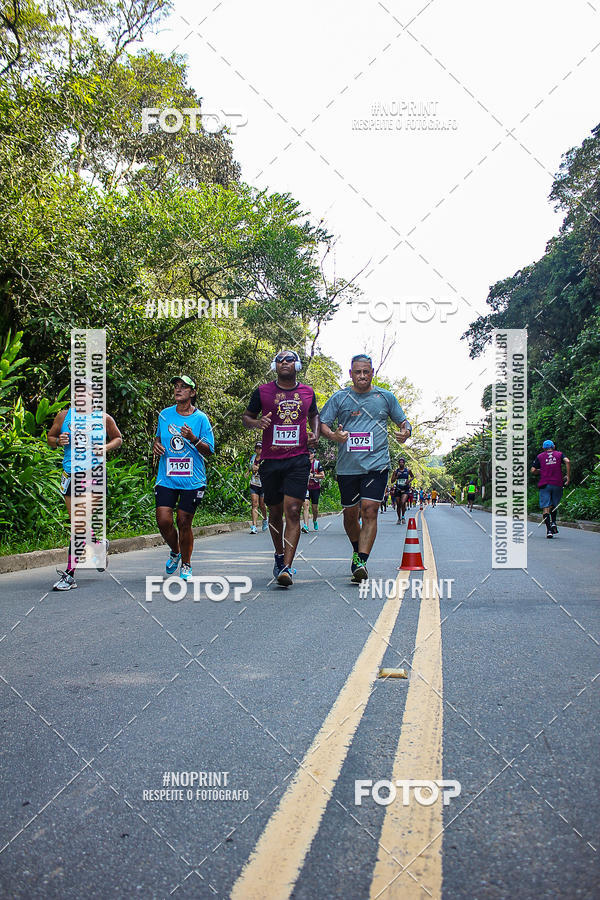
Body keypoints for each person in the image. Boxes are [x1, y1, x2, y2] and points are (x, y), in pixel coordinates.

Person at [320, 354, 411, 582]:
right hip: (348, 468)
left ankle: (361, 561)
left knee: (369, 510)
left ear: (372, 373)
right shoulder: (340, 398)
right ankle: (356, 549)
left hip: (376, 465)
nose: (362, 375)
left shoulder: (385, 397)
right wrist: (334, 435)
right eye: (357, 372)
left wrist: (406, 432)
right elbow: (322, 423)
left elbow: (404, 422)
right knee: (351, 516)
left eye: (366, 371)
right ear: (351, 374)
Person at [242, 350, 320, 587]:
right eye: (279, 360)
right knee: (275, 512)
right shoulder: (263, 391)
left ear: (297, 365)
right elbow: (246, 417)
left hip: (298, 459)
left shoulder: (307, 392)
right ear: (274, 365)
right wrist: (257, 423)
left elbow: (315, 415)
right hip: (271, 461)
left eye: (288, 359)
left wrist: (315, 434)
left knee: (293, 510)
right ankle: (278, 555)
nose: (284, 363)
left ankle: (286, 566)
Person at [47, 396, 123, 591]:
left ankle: (69, 575)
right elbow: (50, 438)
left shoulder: (103, 418)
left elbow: (118, 438)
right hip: (70, 473)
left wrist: (105, 447)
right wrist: (58, 440)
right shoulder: (64, 416)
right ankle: (97, 544)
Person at [153, 375, 214, 580]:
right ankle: (175, 551)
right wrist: (156, 446)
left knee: (184, 520)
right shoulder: (164, 415)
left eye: (183, 387)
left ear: (193, 392)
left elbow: (209, 451)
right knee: (163, 520)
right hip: (167, 477)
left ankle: (186, 564)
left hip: (193, 480)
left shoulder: (201, 419)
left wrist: (193, 439)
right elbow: (158, 438)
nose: (178, 390)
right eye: (176, 387)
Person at [531, 440, 570, 539]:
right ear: (554, 446)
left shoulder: (540, 456)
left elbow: (533, 470)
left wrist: (542, 470)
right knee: (554, 505)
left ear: (543, 448)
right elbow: (567, 461)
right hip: (557, 484)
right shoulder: (559, 454)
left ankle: (549, 530)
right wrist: (568, 476)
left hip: (545, 484)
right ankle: (554, 523)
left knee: (546, 507)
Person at [302, 448, 325, 532]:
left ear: (314, 454)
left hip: (315, 488)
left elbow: (323, 475)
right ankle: (306, 526)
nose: (309, 454)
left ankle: (315, 520)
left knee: (314, 508)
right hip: (306, 488)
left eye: (311, 453)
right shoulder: (303, 463)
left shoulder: (317, 463)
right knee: (306, 506)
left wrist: (313, 475)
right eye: (308, 453)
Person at [248, 442, 268, 534]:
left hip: (263, 484)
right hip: (254, 483)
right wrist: (250, 470)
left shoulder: (265, 458)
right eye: (257, 448)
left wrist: (256, 468)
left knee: (262, 505)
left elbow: (264, 469)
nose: (259, 449)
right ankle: (254, 525)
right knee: (254, 504)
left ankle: (265, 519)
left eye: (260, 448)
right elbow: (250, 467)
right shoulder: (252, 458)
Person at [391, 457, 413, 524]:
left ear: (404, 463)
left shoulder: (408, 470)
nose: (401, 463)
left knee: (403, 502)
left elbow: (412, 476)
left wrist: (408, 481)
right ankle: (399, 518)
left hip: (405, 489)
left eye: (402, 462)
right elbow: (392, 481)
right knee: (398, 504)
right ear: (398, 463)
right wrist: (396, 476)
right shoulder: (396, 471)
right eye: (400, 462)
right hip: (398, 489)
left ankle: (403, 516)